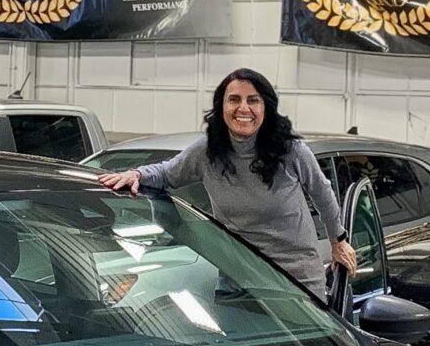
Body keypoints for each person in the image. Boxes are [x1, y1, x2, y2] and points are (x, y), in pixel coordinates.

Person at [98, 68, 357, 296]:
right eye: (234, 99)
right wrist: (137, 175)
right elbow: (166, 174)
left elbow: (322, 193)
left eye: (252, 100)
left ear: (266, 107)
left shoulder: (290, 151)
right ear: (221, 107)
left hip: (294, 282)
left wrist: (338, 241)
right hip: (237, 282)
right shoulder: (207, 152)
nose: (243, 108)